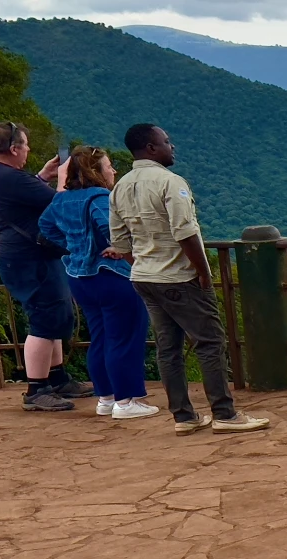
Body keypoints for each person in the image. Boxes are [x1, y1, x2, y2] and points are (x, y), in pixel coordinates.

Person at [106, 124, 269, 434]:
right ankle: (225, 414)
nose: (172, 147)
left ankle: (184, 417)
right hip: (179, 277)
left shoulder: (120, 187)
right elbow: (185, 232)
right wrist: (203, 271)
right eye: (166, 142)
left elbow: (121, 242)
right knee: (209, 342)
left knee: (168, 348)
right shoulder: (170, 183)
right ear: (151, 149)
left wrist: (143, 264)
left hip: (143, 276)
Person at [39, 146, 158, 420]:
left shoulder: (62, 199)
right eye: (108, 166)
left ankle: (105, 399)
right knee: (125, 338)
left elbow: (45, 228)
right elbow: (107, 227)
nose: (113, 170)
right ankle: (126, 402)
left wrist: (74, 247)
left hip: (80, 278)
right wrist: (118, 247)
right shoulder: (100, 196)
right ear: (95, 171)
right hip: (111, 276)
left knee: (100, 338)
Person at [0, 121, 92, 411]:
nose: (28, 150)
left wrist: (43, 176)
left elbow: (25, 200)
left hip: (27, 254)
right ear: (13, 149)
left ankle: (57, 378)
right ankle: (36, 389)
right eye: (25, 145)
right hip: (30, 256)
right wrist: (63, 177)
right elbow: (61, 205)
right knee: (44, 317)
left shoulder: (4, 176)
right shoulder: (10, 178)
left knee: (56, 312)